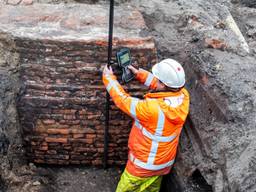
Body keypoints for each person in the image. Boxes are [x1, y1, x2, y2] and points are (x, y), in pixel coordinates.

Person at [102, 58, 190, 192]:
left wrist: (109, 78)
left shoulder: (151, 109)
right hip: (163, 165)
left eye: (157, 78)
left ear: (163, 84)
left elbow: (123, 100)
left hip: (142, 167)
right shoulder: (184, 96)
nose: (155, 80)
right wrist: (138, 73)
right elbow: (161, 86)